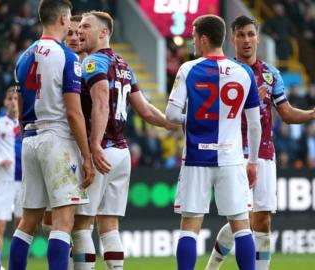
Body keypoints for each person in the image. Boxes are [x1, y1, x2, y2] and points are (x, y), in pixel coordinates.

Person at [205, 15, 315, 270]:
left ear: (257, 38)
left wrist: (311, 113)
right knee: (240, 217)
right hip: (233, 152)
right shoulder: (223, 72)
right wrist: (248, 96)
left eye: (251, 34)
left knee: (262, 219)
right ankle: (213, 267)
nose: (246, 40)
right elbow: (214, 112)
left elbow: (286, 113)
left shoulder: (270, 73)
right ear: (232, 39)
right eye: (241, 35)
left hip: (265, 153)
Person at [73, 11, 176, 270]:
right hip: (121, 153)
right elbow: (147, 110)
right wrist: (171, 123)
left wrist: (94, 144)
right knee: (109, 225)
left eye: (86, 26)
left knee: (82, 225)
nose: (80, 32)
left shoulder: (92, 62)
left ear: (104, 32)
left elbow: (100, 103)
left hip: (102, 151)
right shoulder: (124, 65)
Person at [165, 15, 262, 270]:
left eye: (194, 37)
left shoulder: (189, 69)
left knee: (190, 226)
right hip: (231, 158)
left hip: (197, 157)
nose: (193, 42)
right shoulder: (244, 73)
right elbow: (254, 124)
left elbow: (172, 115)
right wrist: (252, 161)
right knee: (241, 226)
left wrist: (194, 117)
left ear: (204, 38)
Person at [8, 1, 94, 269]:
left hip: (30, 138)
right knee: (63, 221)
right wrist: (87, 157)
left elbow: (21, 109)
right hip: (57, 137)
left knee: (27, 223)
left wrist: (27, 137)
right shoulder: (66, 57)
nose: (71, 25)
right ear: (62, 18)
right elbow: (73, 112)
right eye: (69, 20)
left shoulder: (23, 57)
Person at [41, 13, 87, 239]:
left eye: (80, 33)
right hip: (60, 144)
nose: (75, 38)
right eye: (70, 33)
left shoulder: (91, 66)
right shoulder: (58, 61)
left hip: (83, 144)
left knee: (81, 218)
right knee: (53, 217)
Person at [0, 87, 22, 259]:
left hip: (24, 180)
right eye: (10, 98)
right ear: (5, 102)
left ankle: (17, 264)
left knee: (21, 227)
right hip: (4, 180)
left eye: (16, 98)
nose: (13, 102)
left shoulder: (27, 124)